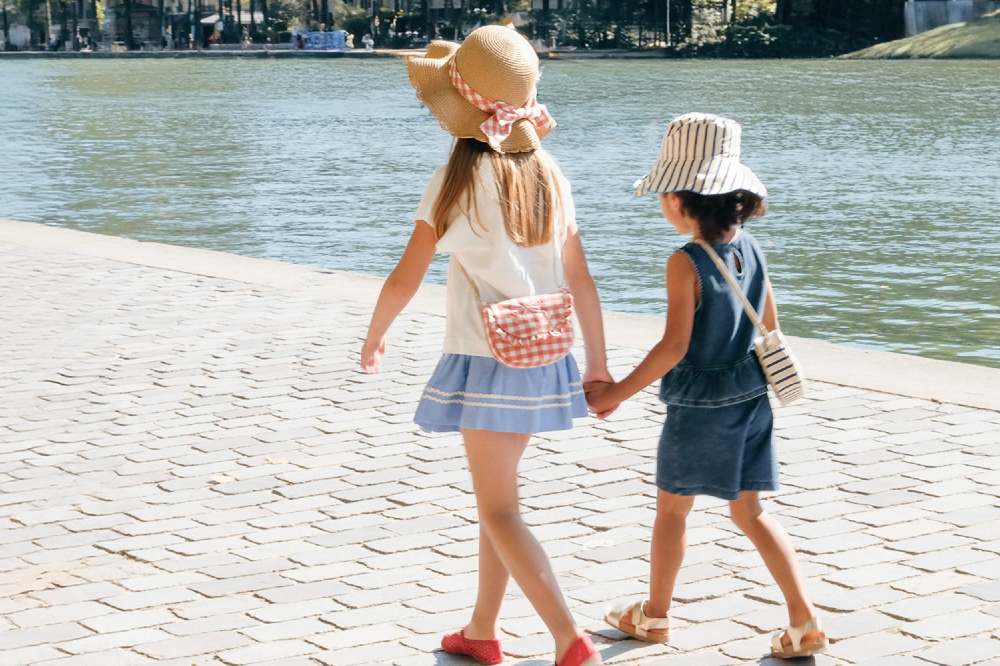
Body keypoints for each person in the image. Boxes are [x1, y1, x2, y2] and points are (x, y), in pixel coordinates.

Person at [360, 25, 606, 666]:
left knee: (499, 511)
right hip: (547, 352)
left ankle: (570, 640)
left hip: (489, 357)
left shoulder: (456, 177)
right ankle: (481, 630)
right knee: (499, 502)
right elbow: (580, 276)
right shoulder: (549, 173)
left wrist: (376, 331)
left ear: (458, 110)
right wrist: (599, 362)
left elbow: (408, 272)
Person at [586, 113, 828, 659]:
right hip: (752, 396)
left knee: (673, 511)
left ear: (679, 198)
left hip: (700, 408)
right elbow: (771, 327)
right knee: (751, 510)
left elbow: (674, 346)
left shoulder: (685, 261)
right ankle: (803, 617)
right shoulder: (754, 249)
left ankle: (655, 617)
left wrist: (615, 392)